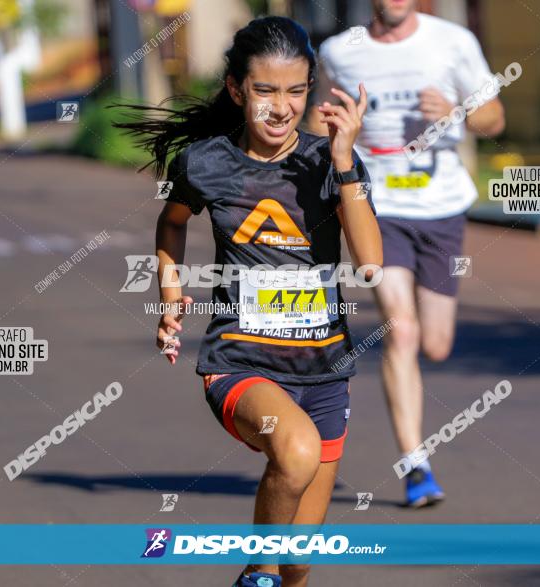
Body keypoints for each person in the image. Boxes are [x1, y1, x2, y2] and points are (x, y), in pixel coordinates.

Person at [114, 16, 381, 587]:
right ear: (237, 90)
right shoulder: (205, 163)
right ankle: (254, 572)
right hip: (240, 364)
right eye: (264, 91)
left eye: (295, 90)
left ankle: (273, 571)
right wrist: (170, 295)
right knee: (297, 449)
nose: (281, 108)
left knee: (301, 562)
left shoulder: (327, 162)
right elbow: (172, 224)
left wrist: (344, 162)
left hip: (325, 370)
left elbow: (370, 263)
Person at [308, 0, 506, 507]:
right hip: (376, 206)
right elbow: (313, 122)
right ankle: (416, 465)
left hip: (440, 206)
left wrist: (456, 111)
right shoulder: (339, 51)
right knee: (402, 330)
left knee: (436, 344)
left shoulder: (452, 41)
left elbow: (494, 118)